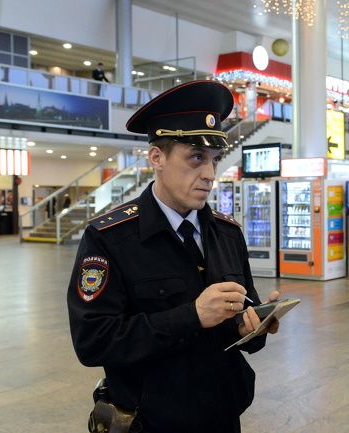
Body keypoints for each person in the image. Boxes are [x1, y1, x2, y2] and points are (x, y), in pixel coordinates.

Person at [67, 80, 280, 433]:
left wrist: (252, 327)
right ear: (157, 158)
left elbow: (237, 323)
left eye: (214, 160)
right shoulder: (110, 238)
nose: (210, 174)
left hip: (222, 414)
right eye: (196, 158)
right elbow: (93, 342)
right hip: (150, 420)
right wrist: (191, 316)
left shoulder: (227, 234)